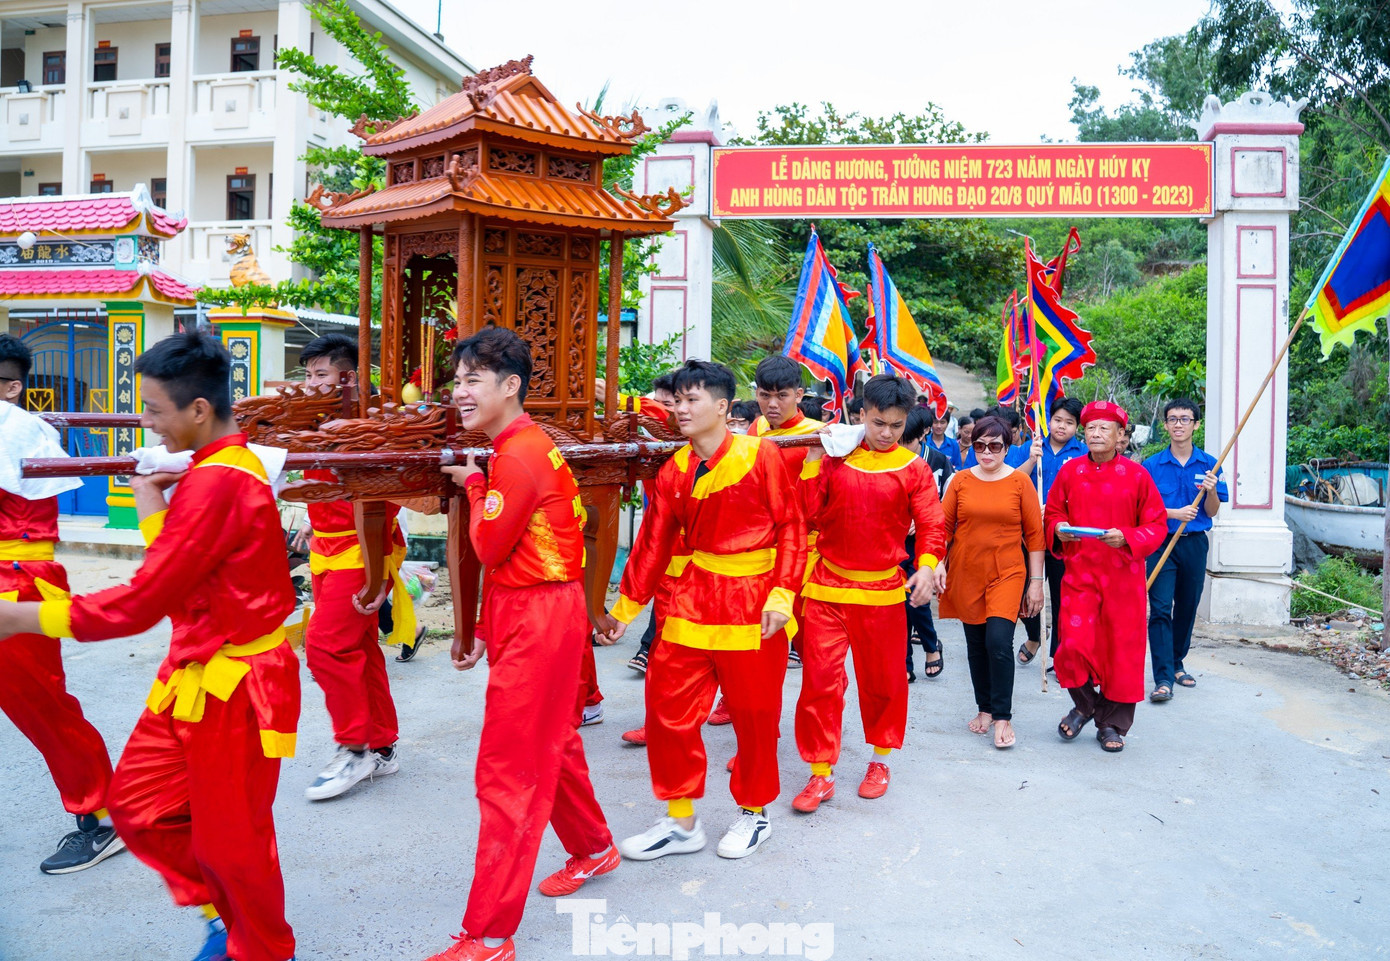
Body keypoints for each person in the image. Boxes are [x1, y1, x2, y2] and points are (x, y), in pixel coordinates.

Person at [0, 332, 301, 961]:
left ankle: (262, 948)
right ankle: (224, 913)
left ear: (198, 410)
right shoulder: (214, 470)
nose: (146, 422)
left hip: (238, 685)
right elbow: (184, 566)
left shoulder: (220, 480)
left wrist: (20, 619)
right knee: (136, 809)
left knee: (234, 841)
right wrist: (147, 496)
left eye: (155, 410)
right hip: (193, 669)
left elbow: (140, 603)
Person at [426, 327, 617, 961]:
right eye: (457, 381)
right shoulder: (526, 445)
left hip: (538, 616)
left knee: (508, 772)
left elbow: (488, 547)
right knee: (554, 740)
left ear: (511, 386)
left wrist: (474, 486)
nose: (460, 392)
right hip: (537, 610)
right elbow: (526, 549)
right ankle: (594, 847)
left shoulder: (514, 455)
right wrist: (485, 626)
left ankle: (490, 933)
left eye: (473, 380)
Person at [601, 359, 803, 861]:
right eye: (677, 400)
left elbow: (792, 528)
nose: (681, 409)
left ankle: (754, 814)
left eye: (693, 400)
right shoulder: (675, 469)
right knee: (667, 710)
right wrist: (623, 609)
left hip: (754, 602)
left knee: (755, 717)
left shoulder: (762, 457)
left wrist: (783, 594)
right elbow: (653, 542)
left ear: (722, 406)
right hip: (692, 598)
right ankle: (681, 820)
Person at [791, 375, 945, 812]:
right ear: (859, 415)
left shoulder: (913, 469)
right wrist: (814, 459)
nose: (886, 433)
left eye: (896, 426)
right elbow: (808, 513)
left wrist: (928, 567)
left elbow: (933, 525)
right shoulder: (837, 458)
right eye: (878, 422)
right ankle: (820, 773)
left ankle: (880, 760)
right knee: (819, 683)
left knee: (884, 684)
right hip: (826, 589)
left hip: (881, 593)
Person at [0, 334, 121, 875]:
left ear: (11, 385)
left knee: (42, 708)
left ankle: (101, 816)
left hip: (14, 578)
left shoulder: (19, 428)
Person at [296, 334, 408, 801]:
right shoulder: (314, 420)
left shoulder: (369, 424)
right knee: (359, 648)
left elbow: (388, 499)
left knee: (324, 645)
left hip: (361, 551)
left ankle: (355, 746)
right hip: (326, 548)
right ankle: (381, 744)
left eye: (322, 374)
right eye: (308, 375)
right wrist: (311, 519)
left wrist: (379, 570)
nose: (311, 384)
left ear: (352, 376)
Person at [1044, 401, 1168, 753]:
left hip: (1123, 579)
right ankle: (1085, 705)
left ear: (1120, 437)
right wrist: (1059, 529)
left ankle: (1112, 725)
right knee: (1071, 647)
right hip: (1080, 575)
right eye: (1091, 428)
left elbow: (1156, 525)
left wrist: (1127, 537)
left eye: (1105, 429)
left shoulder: (1137, 475)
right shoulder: (1070, 473)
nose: (1096, 434)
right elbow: (1053, 513)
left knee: (1121, 654)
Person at [934, 414, 1044, 750]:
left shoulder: (1019, 483)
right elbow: (943, 527)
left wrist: (1036, 582)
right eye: (979, 444)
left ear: (1007, 448)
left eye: (994, 445)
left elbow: (1035, 536)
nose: (986, 452)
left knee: (998, 642)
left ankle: (1002, 716)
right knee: (976, 645)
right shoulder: (960, 481)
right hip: (967, 571)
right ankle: (984, 708)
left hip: (1008, 572)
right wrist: (938, 562)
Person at [1143, 398, 1227, 702]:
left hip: (1194, 543)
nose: (1179, 424)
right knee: (1161, 608)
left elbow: (1213, 511)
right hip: (1161, 543)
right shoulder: (1151, 465)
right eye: (1173, 419)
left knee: (1187, 606)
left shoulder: (1210, 464)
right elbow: (1143, 509)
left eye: (1185, 419)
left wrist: (1211, 489)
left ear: (1196, 424)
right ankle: (1163, 677)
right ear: (1164, 425)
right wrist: (1172, 513)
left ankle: (1178, 663)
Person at [1017, 397, 1087, 666]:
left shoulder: (1083, 454)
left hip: (1062, 536)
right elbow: (1013, 481)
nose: (1062, 427)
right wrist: (1032, 461)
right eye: (1057, 420)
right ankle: (1035, 636)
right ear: (1049, 421)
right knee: (1025, 591)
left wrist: (1059, 513)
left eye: (1069, 423)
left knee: (1062, 596)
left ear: (1076, 427)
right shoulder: (1031, 447)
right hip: (1029, 533)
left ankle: (1058, 652)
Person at [900, 406, 952, 681]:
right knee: (901, 602)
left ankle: (930, 646)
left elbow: (947, 503)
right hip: (895, 542)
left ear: (922, 435)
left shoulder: (940, 462)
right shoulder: (888, 459)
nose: (901, 446)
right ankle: (906, 660)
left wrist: (922, 520)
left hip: (924, 541)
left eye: (907, 441)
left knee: (915, 597)